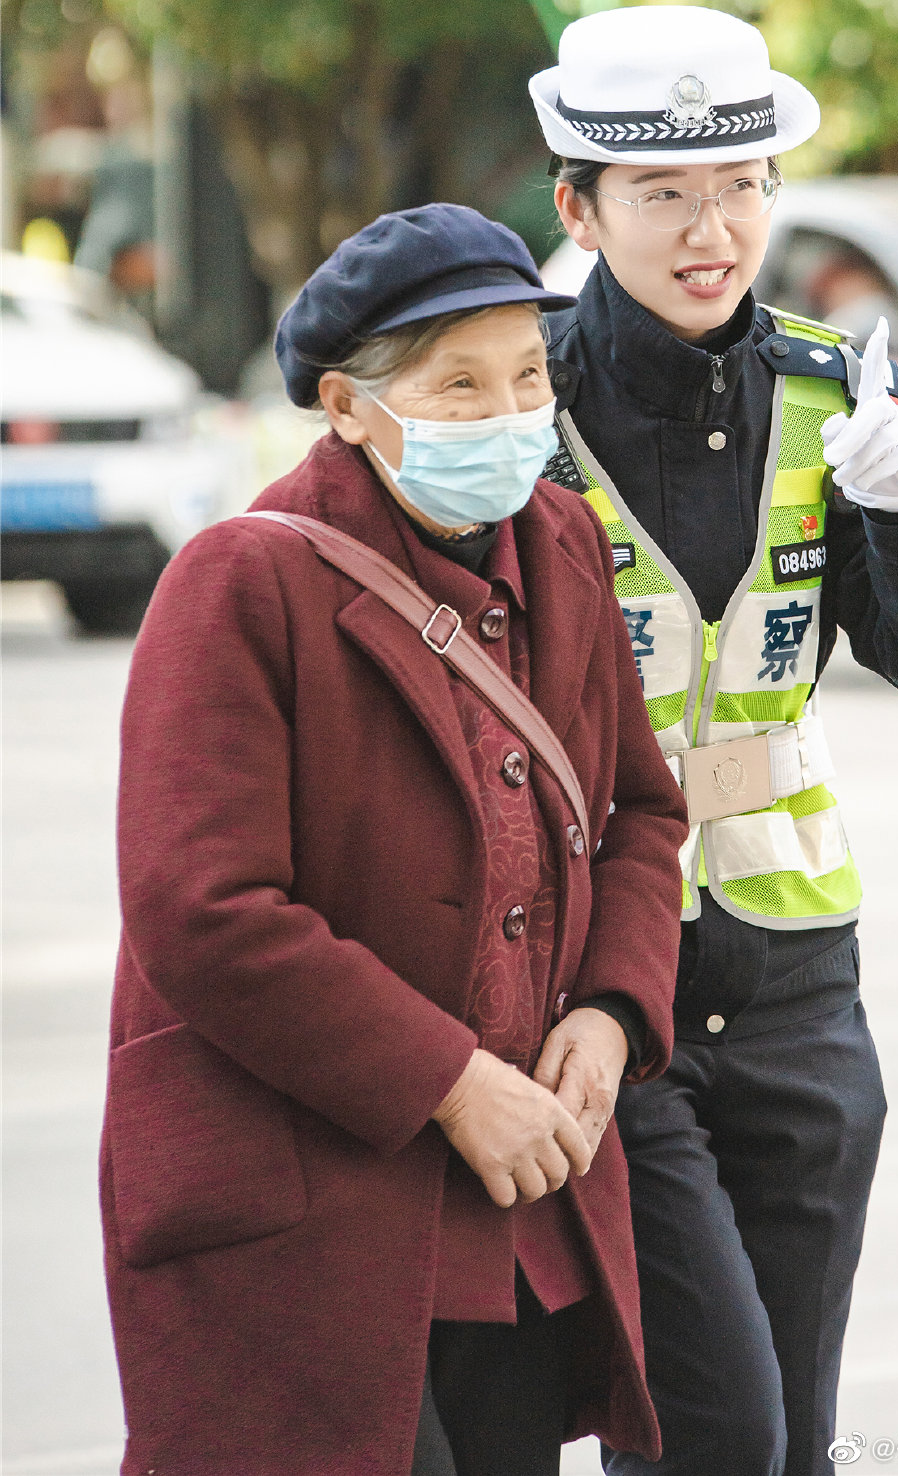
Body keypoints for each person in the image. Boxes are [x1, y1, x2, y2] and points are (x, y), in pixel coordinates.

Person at [100, 203, 689, 1476]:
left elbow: (638, 811)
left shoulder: (568, 544)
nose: (509, 412)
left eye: (529, 374)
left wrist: (611, 1014)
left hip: (517, 1201)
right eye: (458, 386)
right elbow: (202, 909)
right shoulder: (242, 580)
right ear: (349, 409)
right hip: (306, 1206)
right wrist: (449, 1081)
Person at [528, 6, 898, 1476]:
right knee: (703, 1430)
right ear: (579, 204)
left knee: (787, 1431)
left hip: (798, 969)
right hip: (603, 971)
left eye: (741, 183)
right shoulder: (515, 394)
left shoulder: (830, 393)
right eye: (665, 192)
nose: (711, 227)